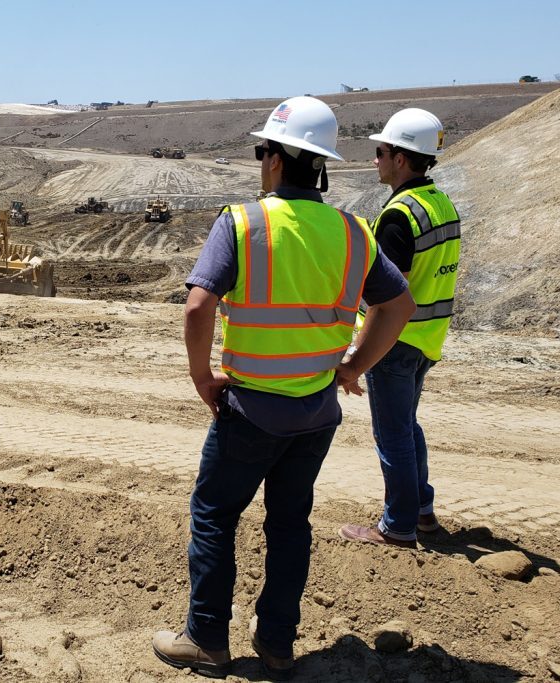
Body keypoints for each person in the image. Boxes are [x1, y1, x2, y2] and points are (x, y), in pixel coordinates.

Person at [151, 97, 416, 680]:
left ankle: (207, 641)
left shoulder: (243, 222)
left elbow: (199, 305)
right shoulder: (352, 232)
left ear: (274, 160)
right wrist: (354, 367)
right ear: (316, 165)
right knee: (290, 523)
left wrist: (203, 377)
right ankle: (276, 646)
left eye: (261, 150)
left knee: (216, 516)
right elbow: (397, 306)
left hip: (249, 411)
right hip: (316, 413)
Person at [339, 109, 461, 549]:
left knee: (393, 435)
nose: (375, 160)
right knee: (407, 428)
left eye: (380, 152)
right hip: (427, 338)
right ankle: (422, 513)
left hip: (396, 343)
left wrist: (356, 360)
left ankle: (398, 526)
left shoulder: (398, 217)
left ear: (402, 158)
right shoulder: (440, 203)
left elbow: (388, 301)